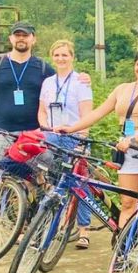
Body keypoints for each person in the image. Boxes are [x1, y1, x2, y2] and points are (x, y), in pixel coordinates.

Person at [0, 22, 58, 255]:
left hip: (32, 135)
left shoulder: (43, 68)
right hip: (2, 132)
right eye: (17, 35)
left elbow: (62, 86)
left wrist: (83, 79)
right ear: (10, 39)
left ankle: (23, 229)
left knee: (31, 182)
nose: (21, 39)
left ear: (33, 39)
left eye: (25, 36)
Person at [58, 49, 138, 229]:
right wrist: (72, 128)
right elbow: (98, 112)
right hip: (125, 146)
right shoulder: (122, 89)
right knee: (128, 201)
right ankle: (124, 243)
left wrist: (135, 140)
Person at [37, 40, 96, 249]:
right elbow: (42, 110)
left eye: (65, 55)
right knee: (53, 182)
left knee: (80, 184)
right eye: (57, 55)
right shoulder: (48, 83)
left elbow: (86, 114)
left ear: (72, 57)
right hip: (53, 137)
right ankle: (49, 225)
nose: (61, 59)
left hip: (74, 137)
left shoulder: (81, 82)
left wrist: (82, 139)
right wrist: (46, 128)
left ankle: (84, 229)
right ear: (51, 57)